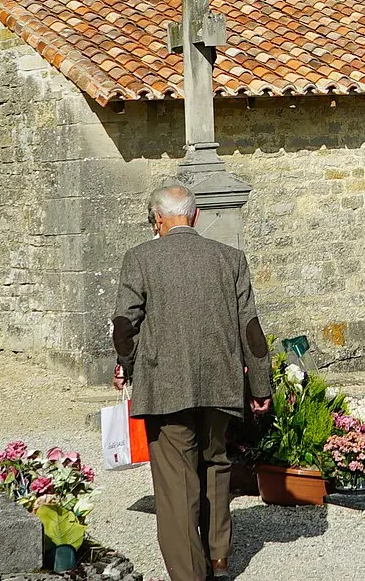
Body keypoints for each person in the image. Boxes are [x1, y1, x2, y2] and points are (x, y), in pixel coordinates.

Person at [112, 183, 271, 581]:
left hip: (166, 387)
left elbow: (124, 326)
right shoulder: (230, 259)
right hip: (221, 383)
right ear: (195, 216)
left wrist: (125, 364)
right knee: (217, 465)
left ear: (159, 220)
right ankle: (219, 558)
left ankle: (189, 574)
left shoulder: (141, 259)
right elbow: (250, 330)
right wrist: (262, 388)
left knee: (176, 483)